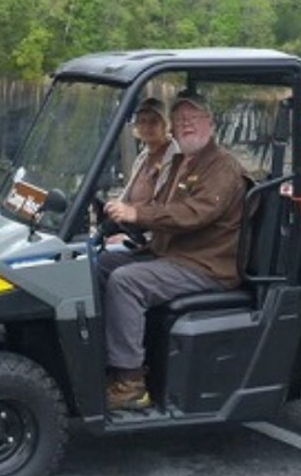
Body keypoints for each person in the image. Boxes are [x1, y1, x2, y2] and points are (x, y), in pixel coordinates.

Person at [100, 91, 249, 411]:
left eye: (192, 119)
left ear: (209, 123)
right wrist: (123, 214)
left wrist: (137, 214)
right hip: (171, 253)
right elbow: (160, 207)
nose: (185, 125)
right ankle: (105, 360)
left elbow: (194, 213)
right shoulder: (181, 161)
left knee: (126, 282)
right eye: (180, 120)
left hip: (204, 265)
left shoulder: (221, 165)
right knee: (98, 265)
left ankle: (130, 382)